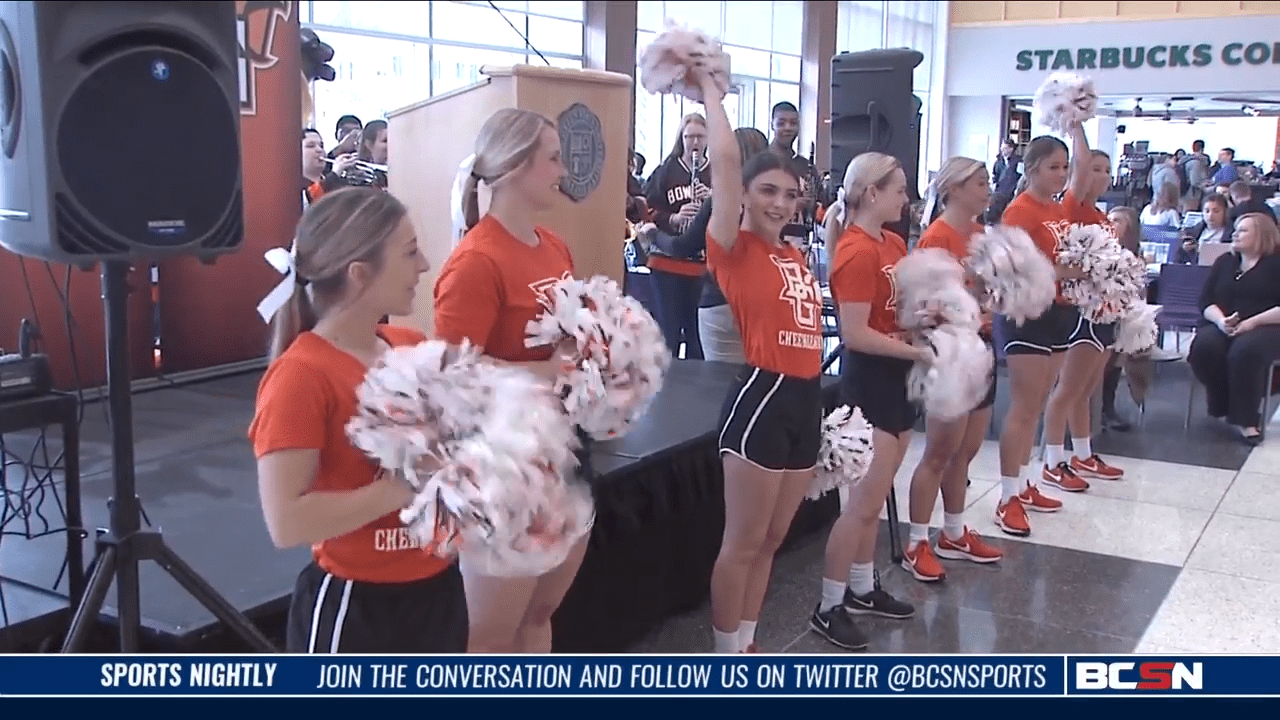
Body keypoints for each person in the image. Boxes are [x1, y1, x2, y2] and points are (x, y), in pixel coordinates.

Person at [248, 187, 467, 653]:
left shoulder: (409, 345)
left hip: (439, 591)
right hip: (359, 607)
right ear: (359, 274)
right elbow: (285, 522)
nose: (424, 265)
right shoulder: (301, 375)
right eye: (409, 253)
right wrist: (394, 491)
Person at [432, 108, 591, 653]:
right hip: (503, 461)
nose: (562, 171)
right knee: (494, 634)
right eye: (551, 159)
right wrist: (548, 372)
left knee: (540, 613)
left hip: (563, 448)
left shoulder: (553, 244)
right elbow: (451, 378)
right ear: (516, 167)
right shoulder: (475, 260)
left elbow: (568, 340)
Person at [697, 69, 822, 654]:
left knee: (773, 540)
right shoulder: (732, 246)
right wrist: (711, 95)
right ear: (744, 196)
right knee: (742, 542)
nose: (780, 202)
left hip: (807, 399)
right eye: (767, 191)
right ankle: (724, 658)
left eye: (789, 194)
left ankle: (746, 643)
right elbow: (725, 162)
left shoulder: (794, 252)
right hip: (762, 398)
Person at [811, 151, 921, 650]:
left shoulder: (892, 241)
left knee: (874, 499)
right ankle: (828, 605)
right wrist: (916, 350)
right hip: (870, 381)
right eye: (899, 189)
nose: (907, 198)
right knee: (858, 505)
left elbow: (899, 309)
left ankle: (861, 586)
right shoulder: (855, 251)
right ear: (872, 193)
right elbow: (855, 335)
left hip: (898, 376)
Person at [900, 157, 1006, 583]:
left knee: (967, 449)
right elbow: (926, 305)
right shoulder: (937, 237)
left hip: (980, 342)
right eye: (979, 182)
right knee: (940, 452)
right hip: (948, 348)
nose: (987, 189)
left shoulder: (981, 234)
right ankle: (917, 540)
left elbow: (985, 290)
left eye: (986, 182)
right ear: (954, 189)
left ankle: (955, 531)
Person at [994, 134, 1090, 538]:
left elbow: (1084, 171)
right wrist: (1068, 272)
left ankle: (1026, 481)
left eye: (1064, 166)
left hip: (1056, 310)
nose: (1062, 173)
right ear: (1032, 169)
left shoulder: (1057, 209)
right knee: (1023, 406)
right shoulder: (1020, 211)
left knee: (1036, 406)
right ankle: (1006, 497)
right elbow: (1014, 268)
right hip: (1026, 313)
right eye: (1053, 166)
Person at [1042, 136, 1126, 487]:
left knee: (1088, 388)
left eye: (1107, 170)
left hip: (1105, 308)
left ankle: (1083, 452)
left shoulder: (1101, 215)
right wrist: (1076, 122)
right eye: (1095, 169)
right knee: (1068, 388)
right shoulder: (1073, 207)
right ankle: (1052, 460)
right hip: (1082, 310)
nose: (1101, 176)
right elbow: (1077, 167)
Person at [661, 127, 771, 365]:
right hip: (763, 301)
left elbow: (683, 246)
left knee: (718, 383)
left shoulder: (722, 201)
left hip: (722, 300)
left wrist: (652, 235)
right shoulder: (774, 202)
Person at [1187, 213, 1280, 445]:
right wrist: (1221, 321)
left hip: (1267, 324)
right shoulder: (1225, 262)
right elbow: (1205, 301)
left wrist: (1251, 322)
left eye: (1244, 230)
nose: (1235, 234)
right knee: (1205, 347)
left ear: (1262, 234)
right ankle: (1223, 403)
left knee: (1245, 351)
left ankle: (1247, 420)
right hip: (1224, 321)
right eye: (1236, 229)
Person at [644, 113, 712, 360]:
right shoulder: (665, 171)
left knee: (698, 339)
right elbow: (646, 211)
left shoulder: (716, 172)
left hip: (703, 265)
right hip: (666, 263)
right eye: (689, 136)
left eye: (700, 137)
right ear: (681, 139)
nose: (695, 142)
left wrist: (711, 201)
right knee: (668, 335)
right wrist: (672, 218)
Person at [1100, 206, 1141, 431]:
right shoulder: (1099, 252)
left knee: (1121, 345)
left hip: (1123, 315)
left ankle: (1107, 407)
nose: (1111, 224)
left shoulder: (1134, 257)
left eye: (1117, 221)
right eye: (1109, 220)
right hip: (1100, 312)